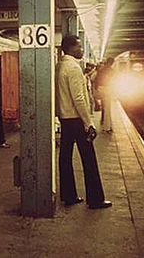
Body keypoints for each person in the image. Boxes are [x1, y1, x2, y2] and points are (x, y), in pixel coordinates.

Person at [55, 35, 112, 209]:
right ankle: (95, 199)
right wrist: (89, 123)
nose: (81, 50)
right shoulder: (73, 68)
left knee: (65, 157)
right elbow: (78, 98)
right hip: (77, 120)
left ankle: (69, 196)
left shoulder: (59, 66)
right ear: (71, 48)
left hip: (65, 119)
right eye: (79, 47)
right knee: (89, 158)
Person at [95, 57, 115, 133]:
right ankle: (106, 127)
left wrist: (97, 88)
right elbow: (113, 81)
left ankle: (108, 125)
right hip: (107, 89)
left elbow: (97, 79)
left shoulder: (101, 69)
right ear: (111, 63)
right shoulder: (111, 70)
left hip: (101, 89)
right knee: (107, 108)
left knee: (105, 107)